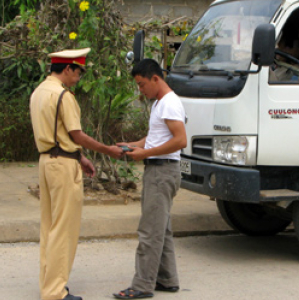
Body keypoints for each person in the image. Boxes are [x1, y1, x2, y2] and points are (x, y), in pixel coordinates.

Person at [30, 47, 124, 300]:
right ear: (68, 68)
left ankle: (49, 284)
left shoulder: (39, 92)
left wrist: (80, 156)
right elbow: (77, 135)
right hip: (62, 167)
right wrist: (106, 150)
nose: (79, 76)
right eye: (78, 71)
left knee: (49, 226)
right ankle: (56, 292)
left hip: (46, 161)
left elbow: (56, 134)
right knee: (64, 228)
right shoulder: (63, 96)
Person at [113, 58, 187, 299]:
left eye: (142, 84)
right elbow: (156, 137)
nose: (140, 90)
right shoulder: (160, 103)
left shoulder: (169, 104)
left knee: (149, 231)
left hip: (162, 171)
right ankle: (167, 279)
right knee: (160, 228)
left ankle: (142, 285)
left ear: (156, 79)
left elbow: (180, 140)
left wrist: (144, 153)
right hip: (160, 170)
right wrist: (132, 145)